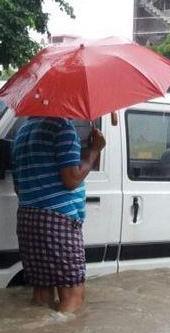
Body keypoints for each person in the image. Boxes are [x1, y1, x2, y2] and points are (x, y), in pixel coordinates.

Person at [12, 117, 105, 313]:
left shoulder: (23, 130)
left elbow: (17, 186)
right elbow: (71, 180)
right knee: (73, 295)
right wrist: (95, 150)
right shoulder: (63, 128)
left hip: (28, 217)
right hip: (58, 221)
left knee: (42, 294)